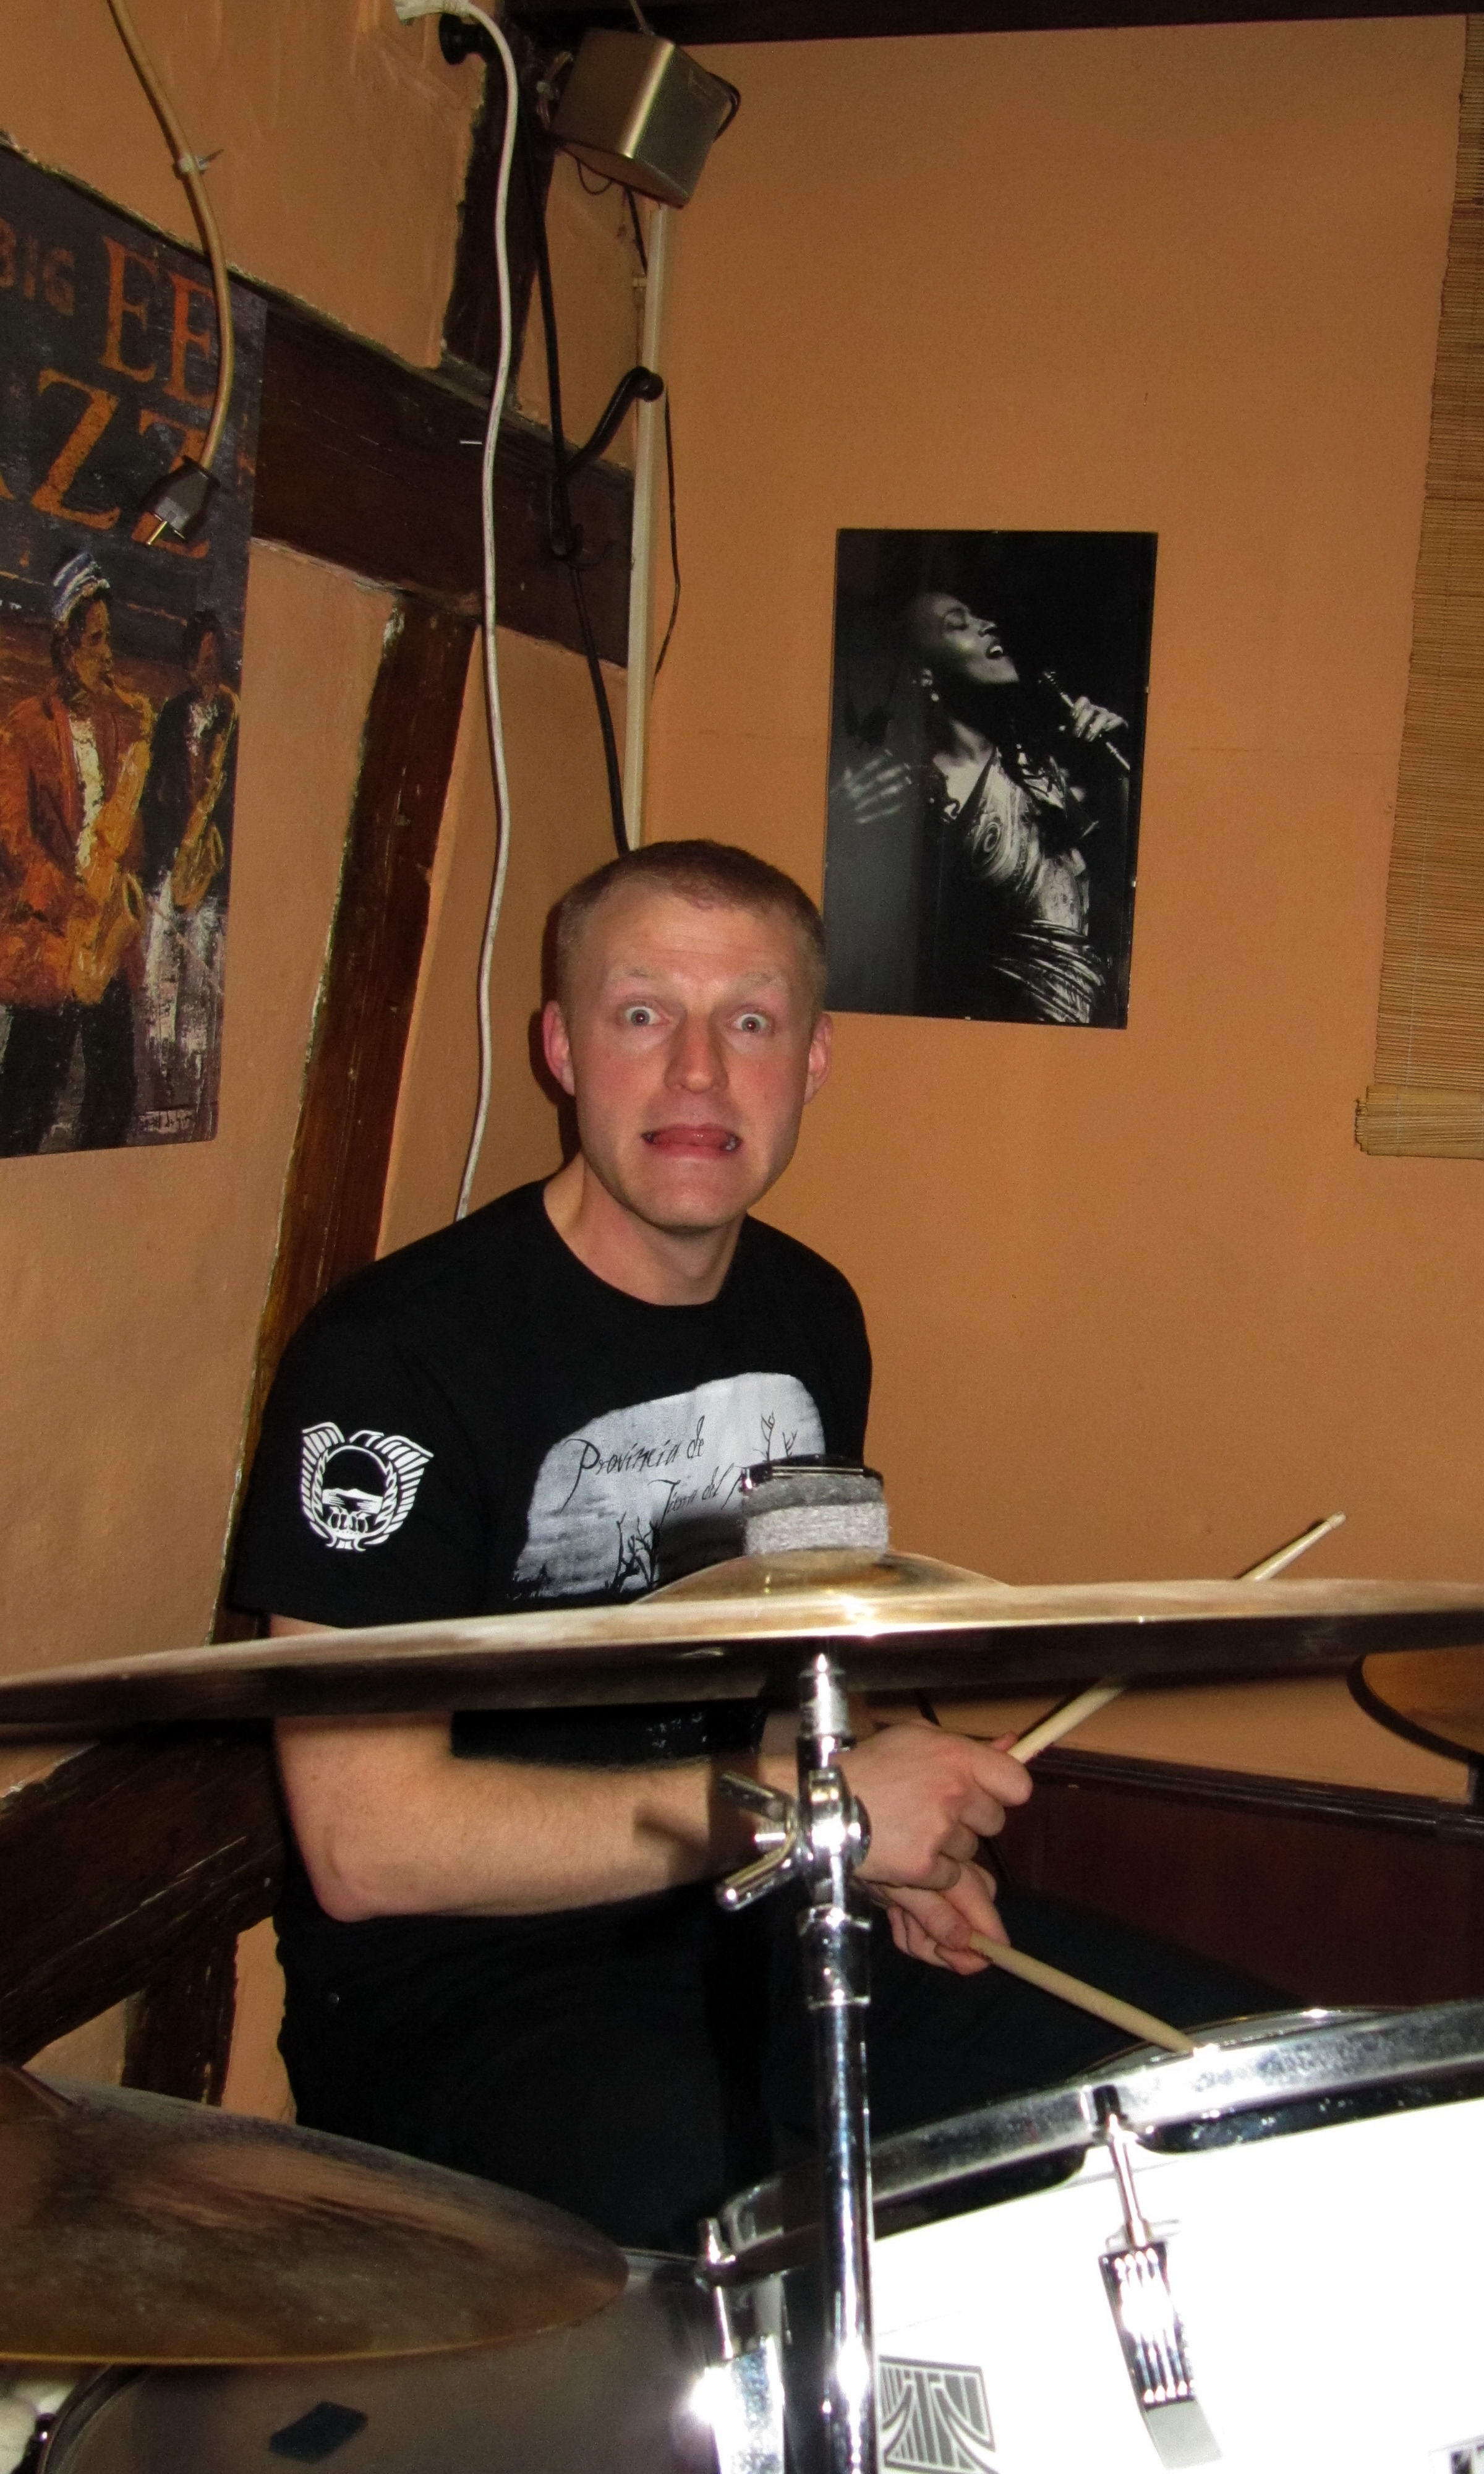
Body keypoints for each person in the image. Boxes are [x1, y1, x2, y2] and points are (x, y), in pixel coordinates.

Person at [231, 840, 1275, 2248]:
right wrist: (821, 1814)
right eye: (642, 1013)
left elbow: (796, 1667)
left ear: (812, 1060)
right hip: (468, 1995)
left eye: (750, 1021)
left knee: (1239, 2087)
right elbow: (366, 1844)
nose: (698, 1075)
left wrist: (893, 1851)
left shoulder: (809, 1315)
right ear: (560, 1048)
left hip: (768, 1917)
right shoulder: (394, 1359)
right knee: (792, 2263)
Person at [830, 591, 1132, 1027]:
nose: (986, 624)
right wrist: (840, 830)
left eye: (978, 616)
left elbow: (1133, 870)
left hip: (1105, 1021)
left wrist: (1120, 766)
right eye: (959, 624)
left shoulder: (1046, 762)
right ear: (924, 676)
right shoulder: (911, 795)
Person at [0, 554, 154, 1155]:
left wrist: (124, 866)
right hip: (55, 937)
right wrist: (71, 901)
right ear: (66, 649)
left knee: (115, 1091)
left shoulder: (119, 727)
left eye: (109, 640)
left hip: (105, 936)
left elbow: (127, 835)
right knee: (26, 1101)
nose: (109, 656)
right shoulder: (26, 725)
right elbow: (14, 841)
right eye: (96, 641)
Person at [138, 609, 236, 1119]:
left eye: (215, 658)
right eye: (201, 659)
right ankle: (159, 1079)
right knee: (159, 977)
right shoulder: (172, 717)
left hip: (209, 876)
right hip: (170, 865)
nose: (209, 667)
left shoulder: (234, 721)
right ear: (187, 664)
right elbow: (152, 795)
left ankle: (194, 1086)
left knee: (200, 983)